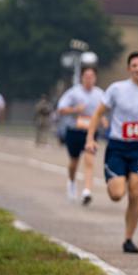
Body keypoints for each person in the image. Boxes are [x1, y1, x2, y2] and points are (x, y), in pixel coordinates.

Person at [85, 51, 138, 254]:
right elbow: (97, 114)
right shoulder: (117, 89)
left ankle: (128, 238)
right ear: (129, 69)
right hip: (118, 146)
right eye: (134, 65)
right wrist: (90, 139)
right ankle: (114, 182)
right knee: (116, 194)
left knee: (136, 191)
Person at [56, 66, 106, 204]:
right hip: (74, 131)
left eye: (91, 76)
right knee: (74, 162)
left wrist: (103, 120)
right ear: (82, 77)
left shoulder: (100, 94)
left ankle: (87, 191)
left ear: (95, 78)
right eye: (86, 76)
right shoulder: (73, 93)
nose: (89, 79)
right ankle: (71, 182)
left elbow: (101, 112)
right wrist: (74, 109)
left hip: (90, 132)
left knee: (89, 160)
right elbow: (60, 109)